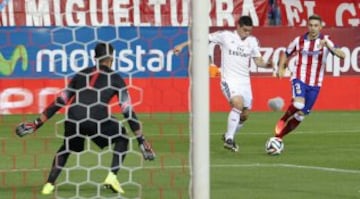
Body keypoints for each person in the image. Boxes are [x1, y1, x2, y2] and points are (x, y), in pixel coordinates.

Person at [15, 43, 156, 195]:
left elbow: (61, 101)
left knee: (66, 148)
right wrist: (141, 140)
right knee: (122, 137)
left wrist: (36, 123)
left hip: (73, 117)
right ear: (112, 58)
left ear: (95, 58)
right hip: (97, 118)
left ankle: (49, 184)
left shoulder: (80, 74)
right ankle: (112, 177)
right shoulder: (116, 79)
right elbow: (127, 112)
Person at [174, 16, 273, 152]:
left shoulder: (252, 41)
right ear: (238, 26)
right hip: (229, 80)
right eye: (245, 30)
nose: (247, 33)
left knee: (244, 115)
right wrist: (182, 45)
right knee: (237, 104)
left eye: (249, 31)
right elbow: (202, 38)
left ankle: (228, 135)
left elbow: (258, 61)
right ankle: (229, 140)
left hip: (245, 83)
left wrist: (269, 65)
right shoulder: (225, 36)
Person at [274, 15, 345, 141]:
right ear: (307, 26)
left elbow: (342, 55)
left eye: (316, 26)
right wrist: (281, 68)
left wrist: (328, 46)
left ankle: (279, 137)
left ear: (320, 27)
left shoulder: (327, 41)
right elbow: (286, 53)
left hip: (315, 83)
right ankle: (283, 119)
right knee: (298, 103)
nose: (313, 28)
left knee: (301, 115)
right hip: (299, 77)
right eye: (311, 25)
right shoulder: (299, 40)